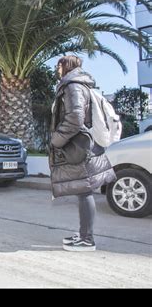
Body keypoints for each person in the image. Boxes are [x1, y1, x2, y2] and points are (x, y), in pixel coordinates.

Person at [49, 56, 116, 251]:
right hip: (83, 145)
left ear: (65, 66)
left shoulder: (73, 86)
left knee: (84, 191)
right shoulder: (77, 84)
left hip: (78, 147)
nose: (56, 69)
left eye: (58, 66)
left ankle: (87, 240)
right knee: (82, 191)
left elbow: (76, 117)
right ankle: (84, 234)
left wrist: (57, 140)